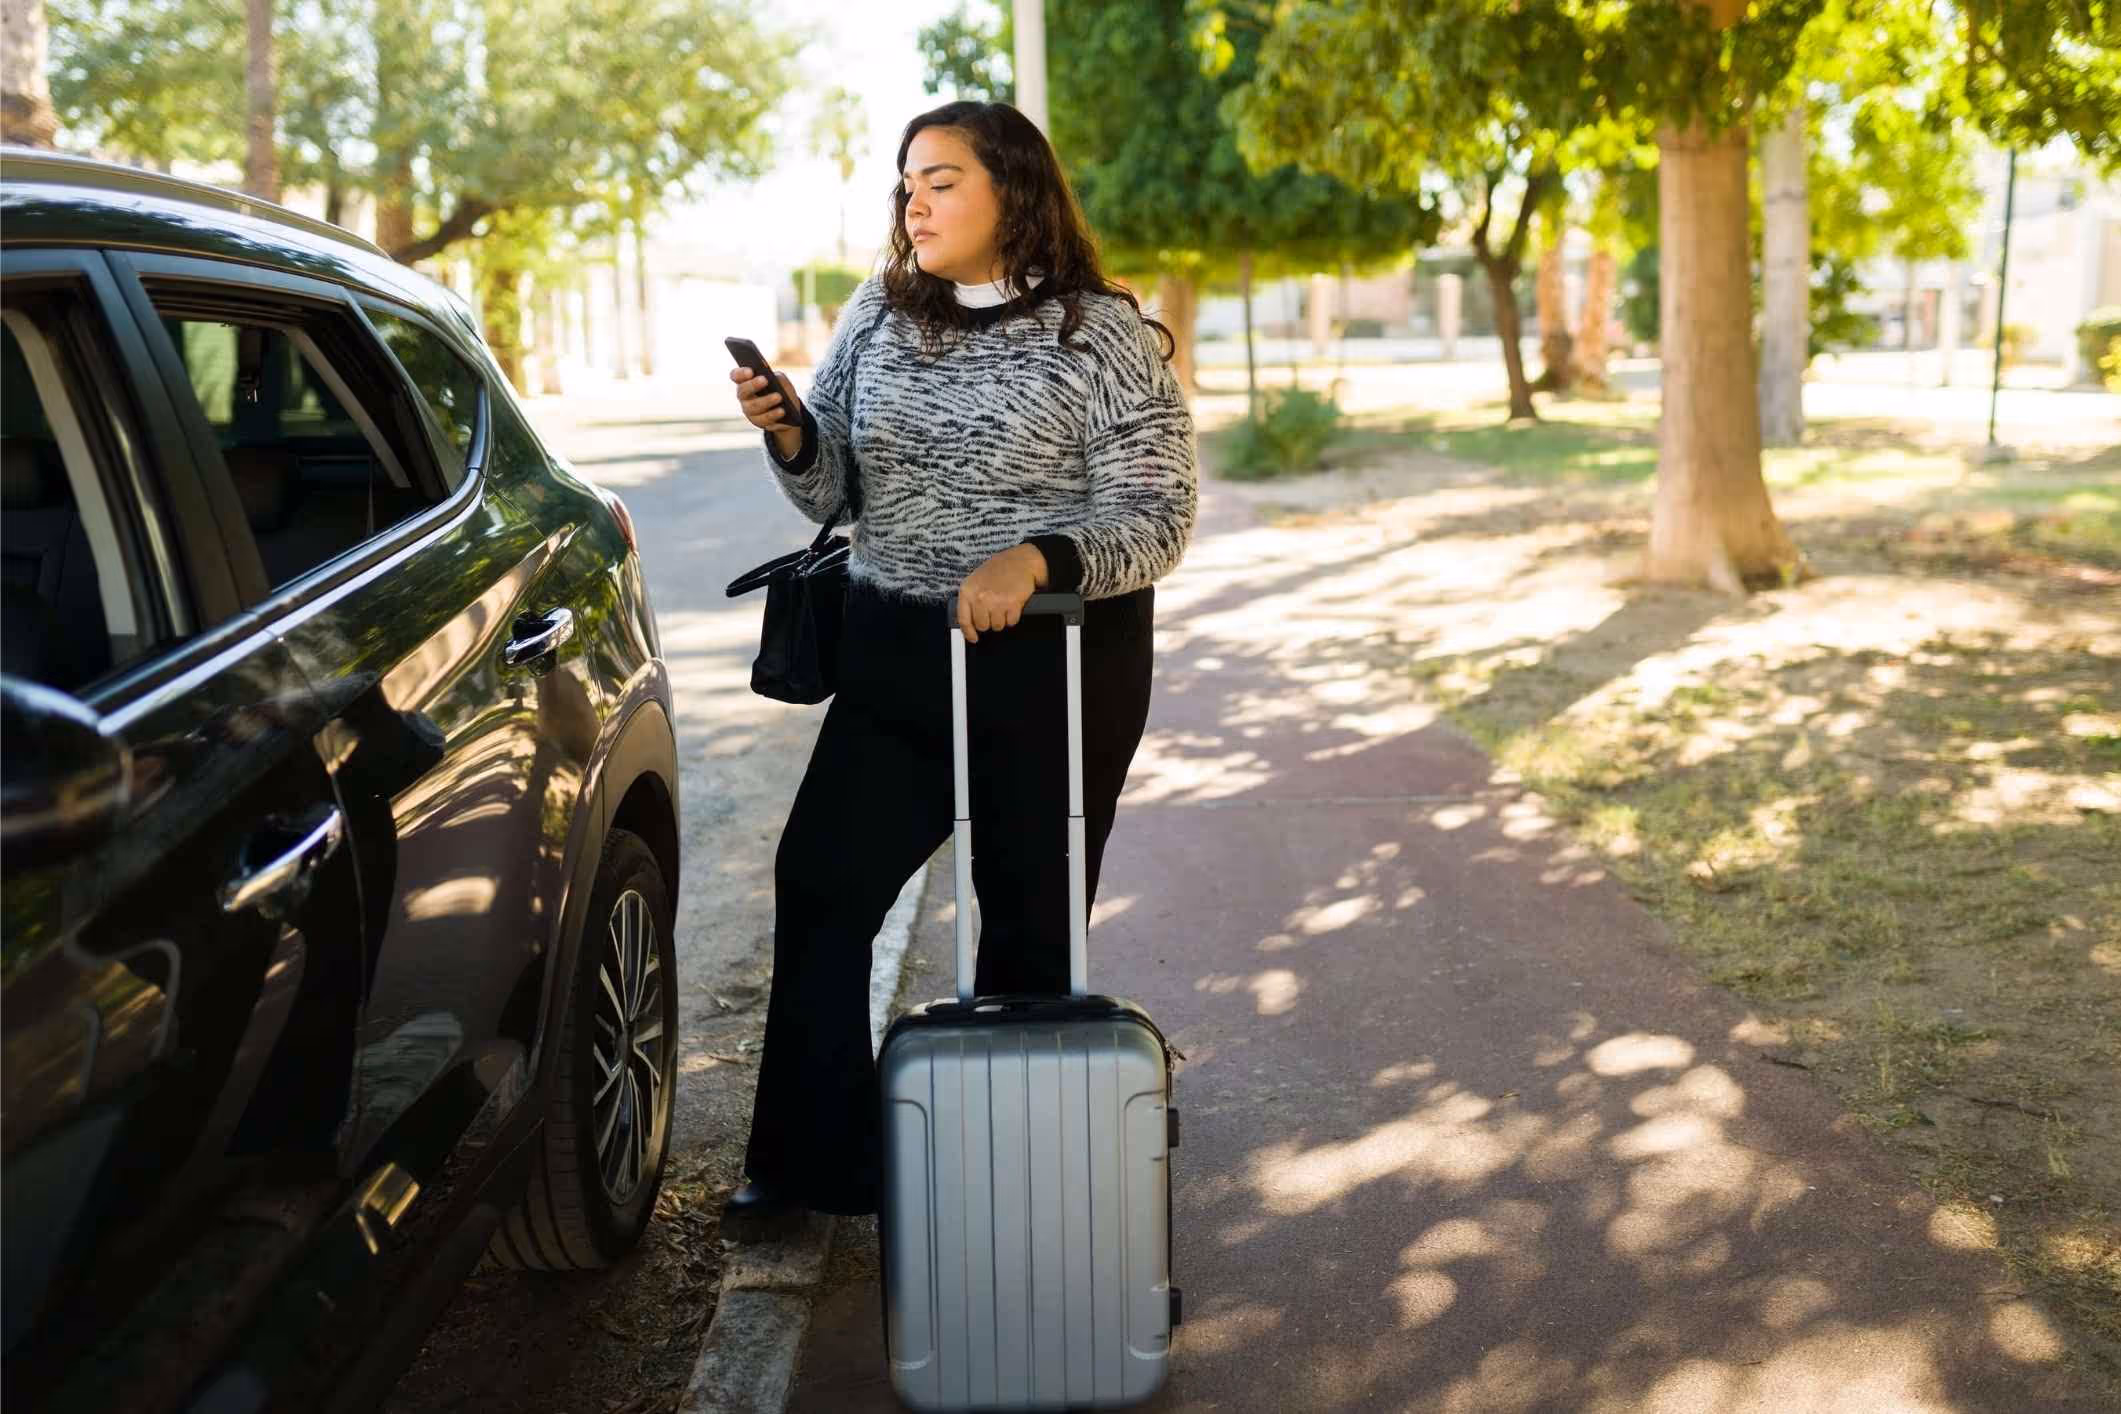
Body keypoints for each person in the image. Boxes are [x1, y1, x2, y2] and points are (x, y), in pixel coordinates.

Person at [722, 99, 1198, 1231]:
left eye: (940, 180)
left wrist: (1037, 557)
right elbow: (834, 488)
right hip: (897, 650)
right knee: (824, 882)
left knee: (1027, 919)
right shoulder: (878, 315)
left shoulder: (1102, 337)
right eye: (906, 185)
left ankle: (1011, 1175)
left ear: (1011, 192)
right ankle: (814, 1161)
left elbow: (1161, 512)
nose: (914, 203)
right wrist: (792, 433)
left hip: (1059, 664)